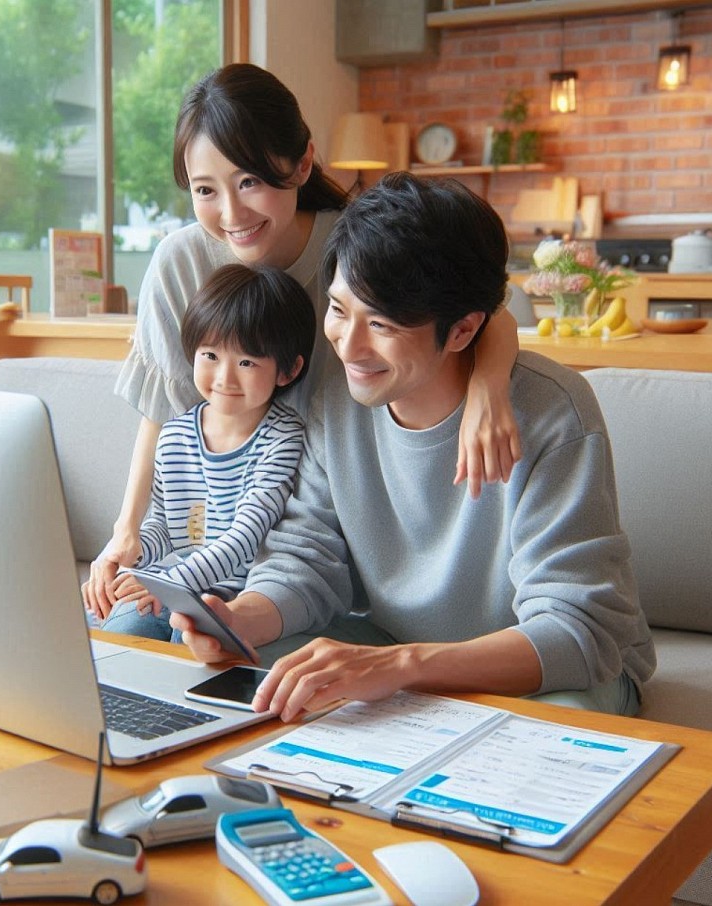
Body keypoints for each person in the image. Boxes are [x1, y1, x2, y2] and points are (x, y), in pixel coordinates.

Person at [169, 173, 656, 721]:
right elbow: (306, 558)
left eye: (380, 323)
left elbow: (578, 631)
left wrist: (402, 666)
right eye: (337, 309)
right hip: (390, 644)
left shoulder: (553, 412)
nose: (349, 345)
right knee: (252, 683)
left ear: (464, 330)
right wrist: (243, 619)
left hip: (543, 670)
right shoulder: (335, 397)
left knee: (550, 732)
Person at [81, 63, 522, 620]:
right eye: (205, 190)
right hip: (215, 539)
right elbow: (164, 417)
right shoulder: (181, 262)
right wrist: (128, 533)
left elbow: (483, 310)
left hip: (325, 539)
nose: (232, 213)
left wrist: (489, 387)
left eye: (251, 181)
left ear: (303, 162)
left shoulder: (353, 244)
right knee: (121, 637)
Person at [90, 263, 315, 640]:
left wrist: (168, 584)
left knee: (188, 639)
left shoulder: (283, 437)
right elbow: (164, 526)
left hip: (238, 597)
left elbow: (245, 537)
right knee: (121, 629)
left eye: (246, 362)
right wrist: (131, 561)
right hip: (172, 581)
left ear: (288, 371)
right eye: (210, 356)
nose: (225, 377)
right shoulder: (175, 434)